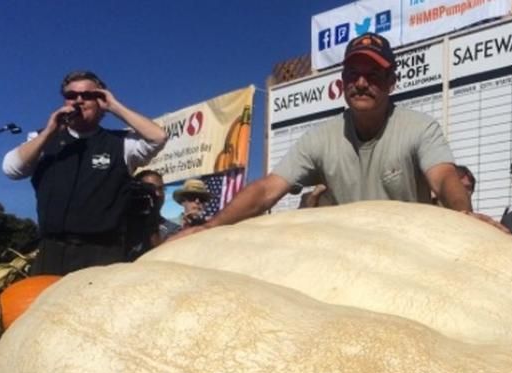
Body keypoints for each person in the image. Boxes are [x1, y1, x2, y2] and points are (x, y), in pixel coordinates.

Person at [175, 33, 474, 236]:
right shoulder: (320, 138)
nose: (360, 82)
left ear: (391, 82)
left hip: (409, 253)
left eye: (373, 75)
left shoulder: (420, 127)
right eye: (352, 74)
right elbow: (267, 189)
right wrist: (210, 227)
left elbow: (444, 176)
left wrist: (463, 214)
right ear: (342, 80)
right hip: (347, 260)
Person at [1, 70, 167, 275]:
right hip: (51, 252)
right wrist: (49, 132)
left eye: (88, 95)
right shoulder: (43, 139)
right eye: (71, 96)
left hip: (101, 254)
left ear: (101, 101)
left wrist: (115, 106)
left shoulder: (121, 144)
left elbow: (158, 137)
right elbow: (11, 169)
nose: (79, 100)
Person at [134, 169, 179, 249]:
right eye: (150, 189)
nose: (157, 194)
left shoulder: (174, 229)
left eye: (160, 189)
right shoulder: (124, 228)